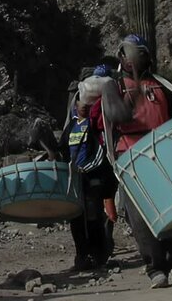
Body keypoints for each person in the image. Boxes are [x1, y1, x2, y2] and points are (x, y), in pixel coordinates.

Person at [93, 34, 172, 288]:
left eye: (136, 52)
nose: (130, 57)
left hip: (166, 151)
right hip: (132, 154)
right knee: (140, 216)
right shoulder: (112, 86)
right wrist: (132, 89)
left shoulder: (161, 84)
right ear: (121, 57)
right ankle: (155, 267)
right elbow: (119, 114)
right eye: (126, 53)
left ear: (146, 56)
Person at [59, 94, 117, 270]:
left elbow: (101, 151)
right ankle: (82, 256)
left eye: (86, 103)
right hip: (76, 180)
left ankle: (99, 256)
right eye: (80, 103)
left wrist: (87, 168)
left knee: (93, 218)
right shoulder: (71, 127)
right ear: (75, 105)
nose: (83, 106)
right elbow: (64, 150)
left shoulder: (95, 126)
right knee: (76, 220)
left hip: (93, 178)